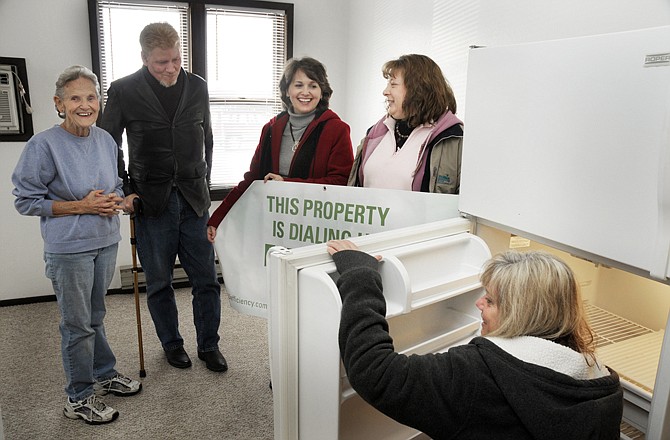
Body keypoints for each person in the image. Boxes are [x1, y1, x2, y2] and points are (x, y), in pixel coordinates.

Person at [327, 240, 623, 440]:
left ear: (521, 314)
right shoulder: (600, 384)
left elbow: (374, 371)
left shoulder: (478, 376)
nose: (479, 304)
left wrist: (360, 276)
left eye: (491, 301)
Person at [12, 65, 142, 425]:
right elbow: (25, 201)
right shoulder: (43, 145)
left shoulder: (105, 139)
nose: (85, 105)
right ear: (59, 103)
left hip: (105, 240)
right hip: (68, 247)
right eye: (75, 98)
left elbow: (113, 185)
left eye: (91, 97)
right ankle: (78, 396)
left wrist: (119, 199)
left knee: (96, 316)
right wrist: (82, 205)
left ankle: (105, 372)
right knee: (77, 324)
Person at [99, 22, 227, 372]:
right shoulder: (123, 90)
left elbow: (208, 140)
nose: (171, 68)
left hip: (194, 198)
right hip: (151, 200)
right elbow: (108, 144)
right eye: (161, 63)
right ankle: (171, 344)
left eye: (175, 59)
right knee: (159, 282)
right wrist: (126, 189)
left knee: (206, 279)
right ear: (144, 58)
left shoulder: (197, 86)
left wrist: (205, 181)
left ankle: (209, 345)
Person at [206, 56, 353, 240]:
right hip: (275, 227)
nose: (305, 92)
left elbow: (341, 183)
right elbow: (252, 179)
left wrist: (288, 185)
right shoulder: (271, 129)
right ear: (287, 90)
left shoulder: (337, 129)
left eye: (313, 85)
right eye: (298, 85)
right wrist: (217, 217)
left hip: (316, 230)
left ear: (322, 91)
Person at [348, 54, 463, 193]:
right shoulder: (374, 134)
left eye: (393, 85)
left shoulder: (453, 138)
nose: (385, 92)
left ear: (418, 90)